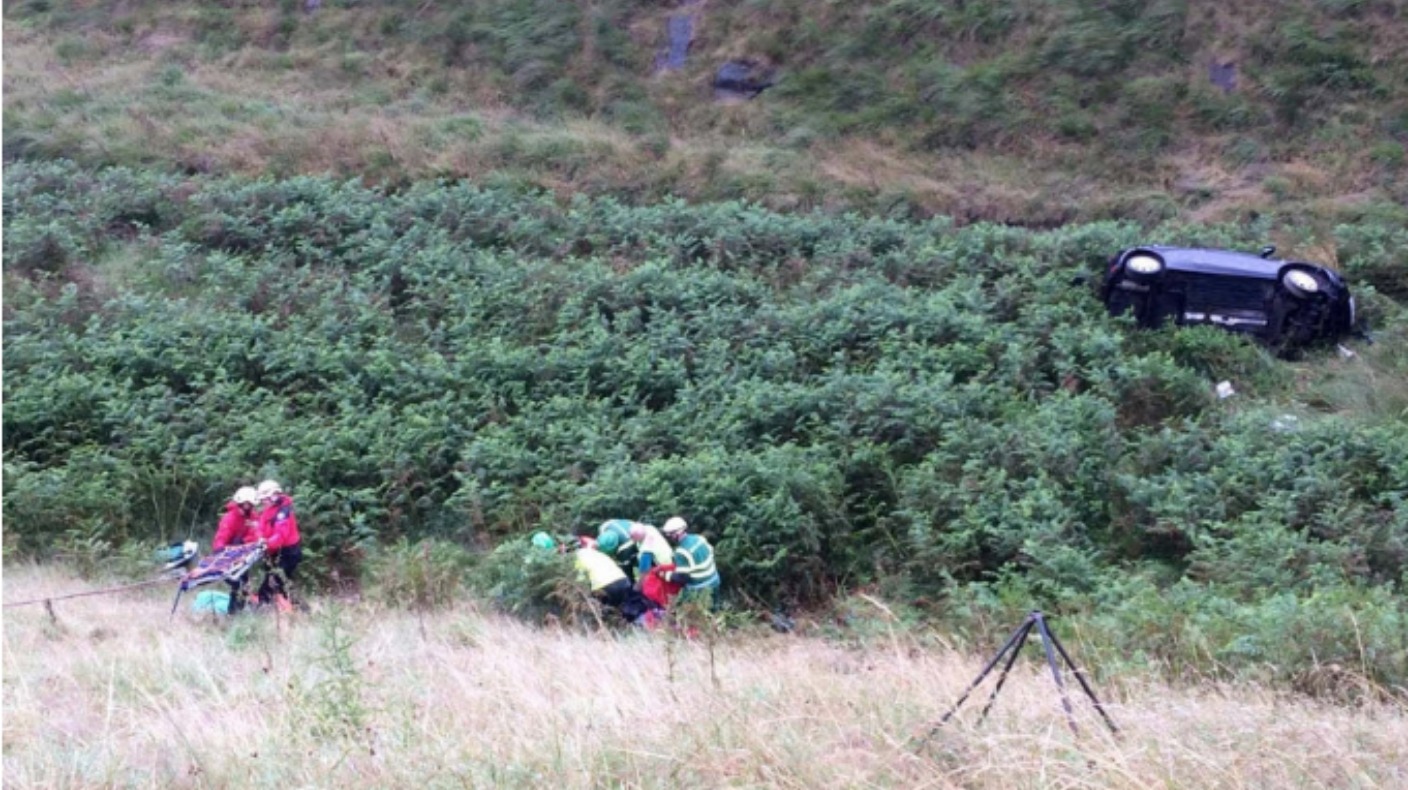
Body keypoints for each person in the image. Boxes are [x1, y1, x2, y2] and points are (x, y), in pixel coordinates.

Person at [254, 479, 302, 613]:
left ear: (274, 496)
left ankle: (264, 612)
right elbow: (260, 528)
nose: (263, 502)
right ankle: (296, 610)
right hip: (274, 553)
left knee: (272, 585)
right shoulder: (268, 511)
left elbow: (281, 536)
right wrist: (261, 539)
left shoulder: (283, 513)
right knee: (280, 585)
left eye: (265, 499)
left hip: (288, 554)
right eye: (262, 499)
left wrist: (267, 543)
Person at [212, 486, 261, 613]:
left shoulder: (252, 517)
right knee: (237, 584)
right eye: (245, 504)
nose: (247, 507)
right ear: (239, 503)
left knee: (243, 585)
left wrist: (249, 543)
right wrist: (223, 555)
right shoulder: (230, 518)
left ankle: (236, 613)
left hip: (243, 556)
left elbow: (256, 534)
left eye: (250, 505)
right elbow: (220, 540)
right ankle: (233, 613)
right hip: (226, 556)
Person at [660, 516, 721, 608]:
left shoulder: (681, 552)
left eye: (669, 535)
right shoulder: (699, 538)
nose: (669, 538)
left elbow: (683, 578)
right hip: (715, 580)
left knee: (682, 605)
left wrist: (666, 575)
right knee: (715, 607)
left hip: (700, 588)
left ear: (676, 534)